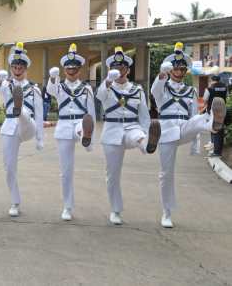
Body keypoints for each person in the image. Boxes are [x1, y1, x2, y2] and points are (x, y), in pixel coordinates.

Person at [152, 42, 226, 228]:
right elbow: (154, 91)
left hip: (184, 127)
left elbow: (193, 115)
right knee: (166, 174)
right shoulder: (163, 88)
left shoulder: (189, 91)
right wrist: (161, 74)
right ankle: (166, 213)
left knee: (199, 118)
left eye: (182, 68)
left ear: (185, 71)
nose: (178, 71)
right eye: (175, 68)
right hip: (166, 130)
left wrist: (195, 144)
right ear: (170, 71)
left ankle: (213, 124)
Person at [96, 46, 160, 225]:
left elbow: (145, 116)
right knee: (112, 175)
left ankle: (148, 143)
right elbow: (99, 96)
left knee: (139, 137)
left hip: (132, 127)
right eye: (116, 68)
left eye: (123, 68)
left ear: (128, 70)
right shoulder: (107, 87)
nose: (120, 71)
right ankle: (115, 210)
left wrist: (147, 130)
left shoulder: (137, 90)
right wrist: (108, 81)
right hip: (112, 131)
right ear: (111, 70)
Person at [0, 42, 43, 217]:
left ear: (25, 67)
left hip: (28, 127)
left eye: (20, 66)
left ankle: (20, 109)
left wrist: (40, 139)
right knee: (9, 167)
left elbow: (40, 114)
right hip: (10, 126)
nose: (17, 69)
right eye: (14, 66)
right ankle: (15, 202)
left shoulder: (34, 88)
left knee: (25, 116)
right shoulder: (6, 85)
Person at [47, 43, 95, 221]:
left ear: (80, 70)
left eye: (75, 67)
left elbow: (91, 113)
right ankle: (67, 206)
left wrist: (93, 138)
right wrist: (53, 78)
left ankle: (86, 137)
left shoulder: (87, 88)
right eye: (68, 67)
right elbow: (50, 90)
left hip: (80, 122)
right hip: (64, 125)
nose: (71, 70)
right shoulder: (59, 87)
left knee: (83, 125)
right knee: (66, 171)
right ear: (64, 69)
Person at [203, 75, 228, 157]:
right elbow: (226, 97)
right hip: (222, 110)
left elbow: (205, 99)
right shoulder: (225, 87)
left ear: (212, 80)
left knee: (214, 129)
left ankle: (216, 150)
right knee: (219, 129)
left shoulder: (210, 88)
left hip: (212, 111)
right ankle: (214, 146)